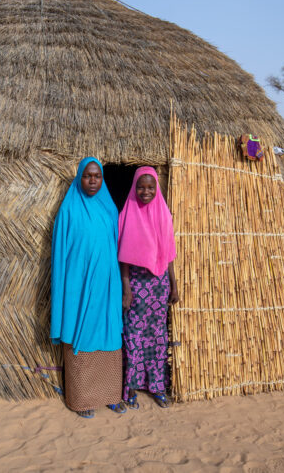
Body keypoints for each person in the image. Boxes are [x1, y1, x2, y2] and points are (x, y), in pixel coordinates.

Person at [50, 157, 125, 418]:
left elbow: (118, 247)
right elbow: (60, 254)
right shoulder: (69, 210)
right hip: (78, 288)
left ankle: (111, 395)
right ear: (79, 177)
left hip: (107, 287)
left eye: (97, 176)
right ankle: (82, 400)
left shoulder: (109, 209)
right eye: (87, 176)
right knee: (80, 334)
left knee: (110, 332)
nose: (93, 181)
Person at [117, 167, 179, 409]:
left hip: (159, 286)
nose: (146, 191)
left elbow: (169, 254)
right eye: (141, 187)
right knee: (133, 336)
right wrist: (127, 289)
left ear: (157, 188)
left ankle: (157, 387)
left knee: (157, 338)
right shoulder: (127, 214)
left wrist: (173, 284)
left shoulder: (163, 214)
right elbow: (122, 257)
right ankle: (130, 387)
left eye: (150, 187)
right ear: (134, 187)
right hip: (136, 284)